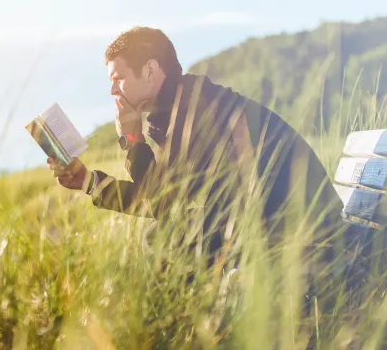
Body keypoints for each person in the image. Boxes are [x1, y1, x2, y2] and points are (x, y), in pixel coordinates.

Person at [47, 26, 350, 316]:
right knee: (165, 235)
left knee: (163, 238)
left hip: (304, 235)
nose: (112, 89)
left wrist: (132, 139)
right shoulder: (179, 108)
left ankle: (197, 333)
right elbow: (161, 196)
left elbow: (161, 202)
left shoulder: (195, 108)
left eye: (119, 77)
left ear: (151, 70)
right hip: (276, 223)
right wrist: (87, 181)